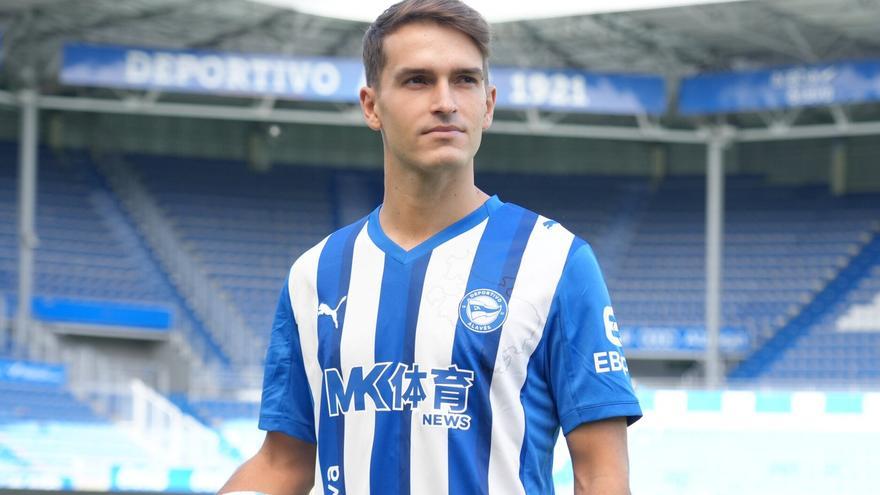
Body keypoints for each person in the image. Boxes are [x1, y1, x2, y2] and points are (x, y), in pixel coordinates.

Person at [219, 0, 641, 493]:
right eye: (417, 80)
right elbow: (282, 463)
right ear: (371, 106)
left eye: (465, 80)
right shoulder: (315, 274)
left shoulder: (556, 261)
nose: (446, 101)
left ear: (488, 104)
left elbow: (601, 474)